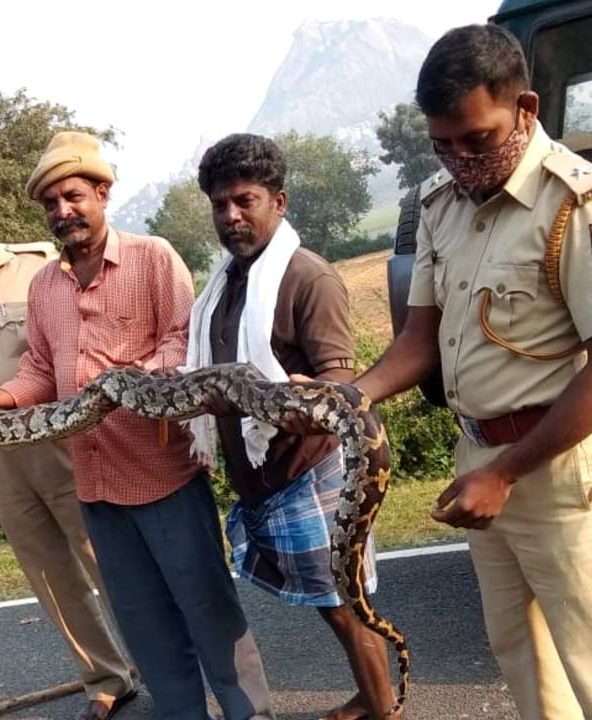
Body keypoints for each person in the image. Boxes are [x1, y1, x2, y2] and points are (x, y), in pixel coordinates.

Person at [349, 25, 592, 719]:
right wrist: (347, 396)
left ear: (525, 107)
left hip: (559, 467)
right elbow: (419, 341)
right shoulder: (441, 208)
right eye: (443, 144)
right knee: (526, 664)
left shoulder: (583, 206)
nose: (461, 161)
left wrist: (504, 472)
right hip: (480, 458)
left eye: (477, 140)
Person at [0, 131, 274, 719]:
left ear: (102, 193)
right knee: (147, 630)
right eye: (51, 203)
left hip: (164, 477)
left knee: (210, 615)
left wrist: (127, 382)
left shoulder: (152, 257)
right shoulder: (45, 285)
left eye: (73, 196)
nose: (62, 211)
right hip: (96, 490)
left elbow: (184, 340)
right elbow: (38, 369)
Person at [183, 132, 397, 720]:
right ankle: (373, 695)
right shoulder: (226, 285)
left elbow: (339, 386)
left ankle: (385, 711)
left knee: (345, 605)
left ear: (279, 201)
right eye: (220, 204)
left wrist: (283, 403)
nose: (231, 216)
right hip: (265, 477)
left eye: (244, 200)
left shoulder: (308, 279)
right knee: (336, 605)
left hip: (314, 471)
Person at [0, 173, 139, 720]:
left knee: (106, 560)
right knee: (50, 577)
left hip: (64, 442)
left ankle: (164, 668)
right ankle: (107, 679)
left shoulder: (42, 265)